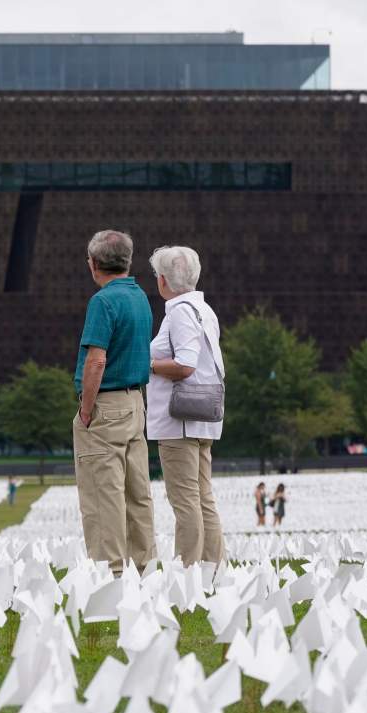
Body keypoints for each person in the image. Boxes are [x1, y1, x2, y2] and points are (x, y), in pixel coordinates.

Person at [72, 230, 156, 576]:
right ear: (128, 260)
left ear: (93, 264)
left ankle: (112, 571)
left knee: (102, 492)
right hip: (136, 401)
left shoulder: (103, 301)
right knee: (138, 491)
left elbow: (96, 360)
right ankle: (145, 565)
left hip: (105, 405)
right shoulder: (140, 298)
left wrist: (86, 410)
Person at [145, 245, 225, 567]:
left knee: (185, 500)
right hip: (203, 418)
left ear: (163, 280)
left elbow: (185, 365)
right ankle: (212, 569)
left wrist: (147, 364)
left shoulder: (178, 311)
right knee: (203, 497)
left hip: (180, 422)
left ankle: (187, 572)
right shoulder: (204, 310)